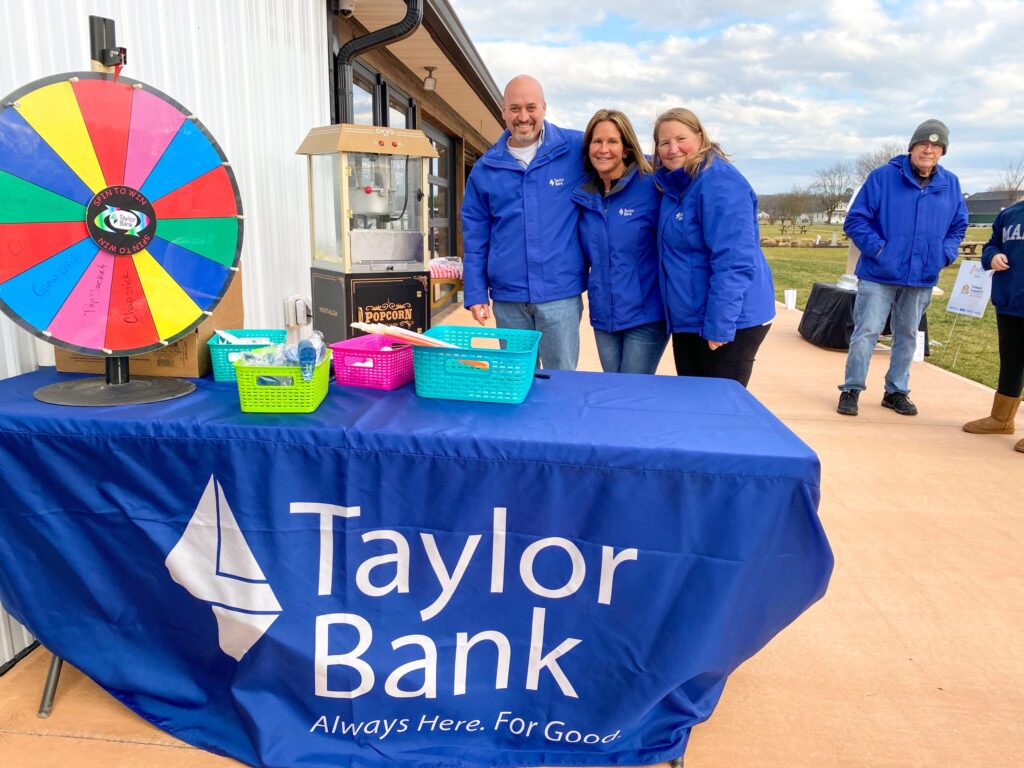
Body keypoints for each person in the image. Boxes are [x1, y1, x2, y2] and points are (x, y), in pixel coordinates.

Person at [837, 119, 968, 416]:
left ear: (942, 152)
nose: (929, 150)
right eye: (923, 144)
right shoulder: (882, 178)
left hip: (922, 274)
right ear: (911, 147)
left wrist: (944, 253)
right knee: (867, 330)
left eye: (936, 146)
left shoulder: (951, 185)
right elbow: (855, 220)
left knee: (907, 334)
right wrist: (880, 250)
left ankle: (896, 391)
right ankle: (851, 388)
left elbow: (959, 226)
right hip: (879, 273)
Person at [460, 75, 587, 370]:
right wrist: (476, 292)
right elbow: (475, 236)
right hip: (509, 299)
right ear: (503, 111)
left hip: (560, 296)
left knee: (562, 379)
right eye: (515, 108)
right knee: (515, 378)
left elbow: (624, 157)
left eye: (531, 107)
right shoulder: (485, 168)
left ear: (544, 107)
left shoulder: (575, 149)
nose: (523, 117)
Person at [653, 107, 775, 387]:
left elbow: (734, 261)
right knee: (695, 408)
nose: (673, 149)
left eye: (681, 139)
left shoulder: (719, 182)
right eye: (664, 143)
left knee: (721, 413)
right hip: (691, 320)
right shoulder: (678, 185)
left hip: (729, 322)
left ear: (700, 136)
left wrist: (720, 325)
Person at [571, 109, 667, 374]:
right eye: (597, 141)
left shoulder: (652, 187)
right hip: (604, 317)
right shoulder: (584, 196)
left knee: (631, 393)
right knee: (612, 391)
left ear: (626, 148)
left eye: (612, 142)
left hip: (646, 314)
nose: (604, 149)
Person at [962, 199, 1024, 452]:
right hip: (1010, 299)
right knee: (1011, 361)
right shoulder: (1010, 213)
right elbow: (992, 245)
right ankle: (1001, 419)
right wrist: (993, 256)